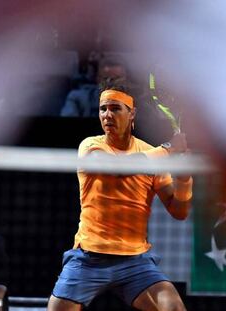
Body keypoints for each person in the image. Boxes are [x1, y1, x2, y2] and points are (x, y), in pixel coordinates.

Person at [48, 82, 193, 311]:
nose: (107, 115)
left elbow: (179, 211)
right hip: (88, 259)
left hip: (135, 262)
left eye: (115, 108)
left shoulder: (150, 154)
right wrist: (169, 149)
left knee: (173, 307)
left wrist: (184, 180)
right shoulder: (91, 146)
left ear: (131, 113)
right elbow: (116, 167)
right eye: (103, 109)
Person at [59, 55, 128, 117]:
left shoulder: (136, 101)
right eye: (106, 79)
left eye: (117, 79)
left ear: (125, 80)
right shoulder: (77, 98)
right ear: (97, 79)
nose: (112, 84)